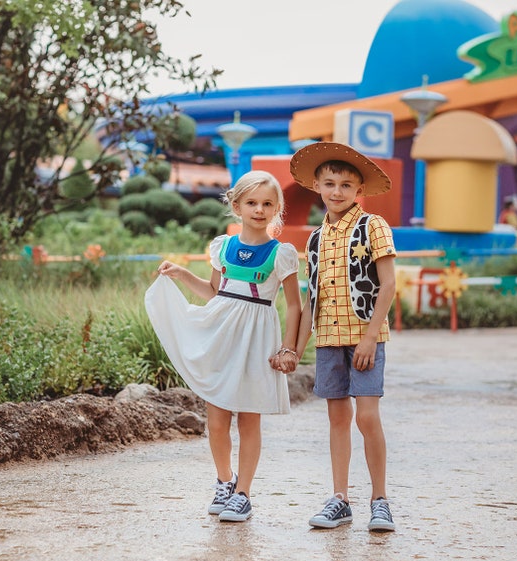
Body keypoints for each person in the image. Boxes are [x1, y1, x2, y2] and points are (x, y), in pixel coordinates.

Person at [145, 170, 302, 522]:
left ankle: (243, 493)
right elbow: (215, 292)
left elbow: (294, 305)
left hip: (257, 341)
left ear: (277, 208)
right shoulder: (223, 246)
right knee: (216, 421)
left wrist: (288, 347)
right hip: (221, 336)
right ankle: (224, 481)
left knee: (249, 420)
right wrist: (183, 274)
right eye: (251, 203)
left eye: (267, 204)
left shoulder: (281, 254)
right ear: (236, 206)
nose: (259, 210)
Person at [287, 141, 397, 532]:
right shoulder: (315, 239)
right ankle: (340, 499)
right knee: (337, 418)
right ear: (317, 186)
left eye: (346, 185)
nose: (337, 192)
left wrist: (370, 337)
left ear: (358, 190)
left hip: (365, 338)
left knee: (366, 417)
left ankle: (380, 500)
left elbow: (388, 285)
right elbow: (310, 299)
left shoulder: (373, 226)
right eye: (330, 184)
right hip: (329, 341)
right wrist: (294, 350)